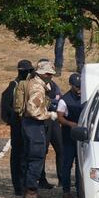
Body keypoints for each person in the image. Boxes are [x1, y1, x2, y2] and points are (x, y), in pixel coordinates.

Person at [19, 60, 55, 198]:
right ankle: (31, 191)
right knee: (37, 157)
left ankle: (27, 188)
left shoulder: (31, 83)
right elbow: (33, 109)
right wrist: (49, 115)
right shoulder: (37, 87)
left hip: (27, 124)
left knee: (29, 156)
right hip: (34, 124)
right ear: (45, 74)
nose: (51, 77)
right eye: (50, 74)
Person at [1, 60, 33, 196]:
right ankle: (18, 186)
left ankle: (26, 183)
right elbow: (6, 106)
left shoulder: (29, 85)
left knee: (27, 154)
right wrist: (13, 119)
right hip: (18, 126)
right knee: (18, 155)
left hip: (27, 125)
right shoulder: (13, 85)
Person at [56, 73, 83, 198]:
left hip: (82, 136)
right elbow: (60, 117)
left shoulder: (85, 96)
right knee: (67, 163)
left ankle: (80, 189)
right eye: (77, 87)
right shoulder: (64, 100)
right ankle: (66, 189)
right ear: (71, 85)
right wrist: (70, 124)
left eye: (80, 86)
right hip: (69, 135)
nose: (79, 89)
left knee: (80, 164)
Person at [37, 58, 63, 190]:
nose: (50, 75)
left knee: (61, 149)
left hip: (53, 121)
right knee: (42, 151)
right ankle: (41, 179)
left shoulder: (53, 85)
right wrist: (52, 102)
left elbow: (58, 100)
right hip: (42, 120)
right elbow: (47, 102)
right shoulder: (36, 85)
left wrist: (52, 103)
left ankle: (62, 179)